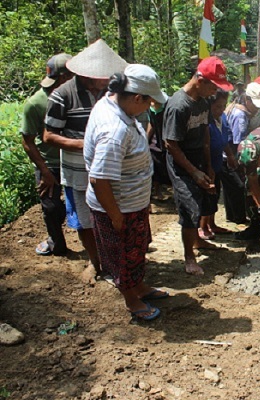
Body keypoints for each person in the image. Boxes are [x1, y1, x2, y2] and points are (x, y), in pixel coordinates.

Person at [84, 64, 169, 321]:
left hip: (131, 201)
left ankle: (139, 286)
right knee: (122, 256)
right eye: (148, 103)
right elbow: (99, 179)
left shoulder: (114, 105)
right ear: (136, 98)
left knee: (137, 249)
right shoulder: (114, 130)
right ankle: (131, 300)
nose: (149, 108)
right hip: (118, 206)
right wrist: (115, 215)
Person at [44, 39, 128, 283]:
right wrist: (85, 144)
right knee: (85, 220)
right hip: (77, 170)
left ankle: (115, 259)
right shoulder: (62, 95)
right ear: (88, 75)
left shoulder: (111, 92)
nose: (106, 79)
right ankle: (94, 261)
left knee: (113, 214)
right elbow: (48, 135)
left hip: (110, 169)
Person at [163, 56, 233, 276]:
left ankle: (198, 242)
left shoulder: (203, 103)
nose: (215, 92)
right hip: (181, 162)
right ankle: (189, 257)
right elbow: (170, 144)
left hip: (199, 159)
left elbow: (204, 133)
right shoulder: (178, 105)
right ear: (200, 80)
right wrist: (193, 171)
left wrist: (209, 164)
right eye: (213, 86)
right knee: (189, 206)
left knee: (206, 200)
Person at [21, 53, 73, 257]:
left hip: (75, 161)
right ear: (64, 78)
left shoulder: (77, 98)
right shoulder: (36, 104)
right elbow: (28, 141)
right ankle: (56, 243)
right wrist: (44, 171)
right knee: (51, 207)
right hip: (50, 163)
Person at [199, 89, 238, 239]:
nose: (221, 110)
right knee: (207, 195)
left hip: (218, 161)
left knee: (215, 194)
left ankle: (212, 223)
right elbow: (206, 146)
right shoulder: (206, 123)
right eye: (217, 107)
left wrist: (229, 155)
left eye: (223, 106)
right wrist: (208, 166)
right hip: (207, 163)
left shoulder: (222, 118)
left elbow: (225, 139)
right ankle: (202, 226)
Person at [147, 96, 170, 201]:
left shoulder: (168, 106)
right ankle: (157, 191)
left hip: (167, 143)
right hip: (155, 144)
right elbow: (151, 125)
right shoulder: (150, 109)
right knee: (155, 171)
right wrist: (146, 140)